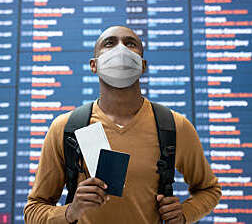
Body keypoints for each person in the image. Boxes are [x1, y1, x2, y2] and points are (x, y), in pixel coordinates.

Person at [24, 26, 221, 224]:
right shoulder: (66, 128)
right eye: (109, 43)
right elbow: (33, 210)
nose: (121, 50)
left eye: (130, 43)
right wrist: (70, 212)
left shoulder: (174, 126)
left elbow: (209, 190)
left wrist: (185, 214)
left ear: (142, 65)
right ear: (94, 65)